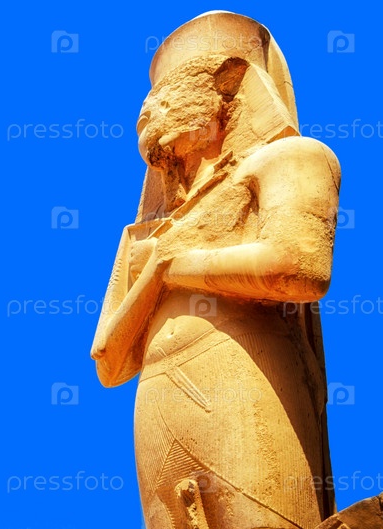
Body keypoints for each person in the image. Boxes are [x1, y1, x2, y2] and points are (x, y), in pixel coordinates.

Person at [91, 12, 341, 529]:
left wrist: (171, 266)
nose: (148, 113)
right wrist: (154, 273)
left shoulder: (288, 159)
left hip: (242, 372)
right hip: (156, 397)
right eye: (146, 104)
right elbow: (109, 362)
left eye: (165, 99)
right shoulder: (145, 233)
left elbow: (301, 266)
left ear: (224, 90)